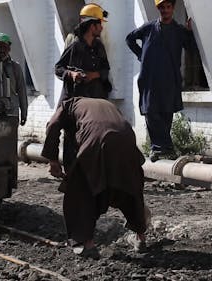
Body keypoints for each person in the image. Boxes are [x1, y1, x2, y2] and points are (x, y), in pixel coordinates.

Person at [41, 97, 149, 256]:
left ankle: (87, 244)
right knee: (129, 187)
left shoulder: (67, 105)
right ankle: (141, 238)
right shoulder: (105, 105)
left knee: (80, 192)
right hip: (126, 137)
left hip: (97, 138)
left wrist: (53, 161)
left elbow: (52, 126)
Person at [126, 0, 196, 162]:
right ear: (158, 9)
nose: (165, 10)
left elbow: (192, 48)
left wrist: (191, 32)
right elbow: (130, 39)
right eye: (162, 7)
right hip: (149, 79)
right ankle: (162, 148)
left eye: (168, 7)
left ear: (173, 8)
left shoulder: (179, 31)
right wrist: (141, 55)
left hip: (169, 80)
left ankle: (160, 149)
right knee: (150, 112)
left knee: (166, 113)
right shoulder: (149, 28)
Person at [54, 3, 111, 171]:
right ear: (91, 25)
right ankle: (70, 172)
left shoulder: (99, 47)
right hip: (75, 100)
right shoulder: (74, 45)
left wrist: (95, 75)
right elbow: (58, 68)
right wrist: (72, 75)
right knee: (69, 133)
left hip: (95, 100)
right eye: (99, 23)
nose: (101, 27)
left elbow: (106, 69)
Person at [0, 33, 28, 126]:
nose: (1, 50)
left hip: (11, 111)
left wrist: (24, 114)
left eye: (4, 47)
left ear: (9, 48)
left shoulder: (15, 67)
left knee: (10, 139)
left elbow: (22, 91)